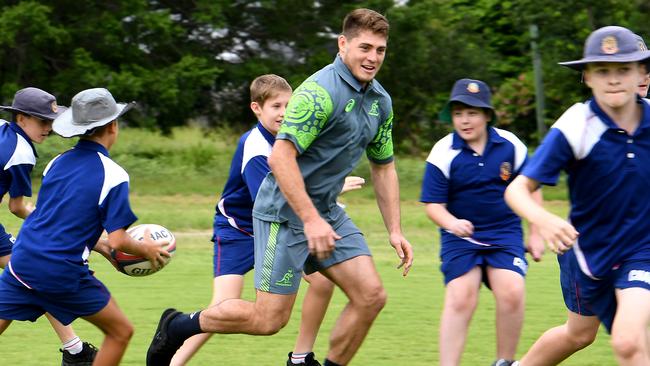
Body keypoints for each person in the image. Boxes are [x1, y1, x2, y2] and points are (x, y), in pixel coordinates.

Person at [147, 8, 413, 366]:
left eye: (380, 50)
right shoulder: (318, 93)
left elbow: (384, 167)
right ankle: (179, 326)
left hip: (326, 212)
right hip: (283, 214)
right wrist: (310, 219)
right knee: (268, 319)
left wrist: (395, 230)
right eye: (365, 47)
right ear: (343, 44)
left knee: (371, 296)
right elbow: (280, 159)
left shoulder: (380, 102)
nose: (373, 57)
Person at [170, 74, 365, 366]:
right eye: (276, 106)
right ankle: (173, 358)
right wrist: (332, 192)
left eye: (290, 105)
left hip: (279, 227)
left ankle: (300, 358)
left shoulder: (294, 139)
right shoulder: (256, 147)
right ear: (257, 108)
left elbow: (304, 183)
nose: (284, 112)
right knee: (222, 306)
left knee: (322, 283)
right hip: (239, 230)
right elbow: (274, 200)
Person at [505, 26, 650, 366]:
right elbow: (517, 189)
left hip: (640, 250)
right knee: (580, 334)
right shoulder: (577, 124)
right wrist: (543, 220)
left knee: (629, 341)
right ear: (587, 77)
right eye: (603, 70)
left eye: (623, 69)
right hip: (585, 252)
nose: (613, 79)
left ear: (641, 74)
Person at [0, 88, 171, 366]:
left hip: (22, 262)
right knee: (120, 332)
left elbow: (54, 221)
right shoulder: (114, 175)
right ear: (113, 126)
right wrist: (146, 249)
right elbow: (118, 241)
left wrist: (99, 245)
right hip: (60, 271)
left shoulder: (57, 162)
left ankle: (74, 349)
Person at [420, 78, 543, 366]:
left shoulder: (511, 145)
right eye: (459, 113)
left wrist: (536, 233)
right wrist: (452, 223)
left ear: (487, 115)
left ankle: (505, 362)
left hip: (505, 233)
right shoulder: (442, 152)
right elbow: (433, 206)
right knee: (462, 296)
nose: (465, 120)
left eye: (472, 113)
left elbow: (532, 191)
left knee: (512, 292)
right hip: (460, 237)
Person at [0, 87, 98, 365]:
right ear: (21, 119)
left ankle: (75, 349)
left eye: (52, 121)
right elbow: (17, 207)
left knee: (31, 277)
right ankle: (75, 351)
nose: (49, 128)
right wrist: (54, 225)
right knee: (32, 275)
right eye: (43, 121)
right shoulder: (21, 152)